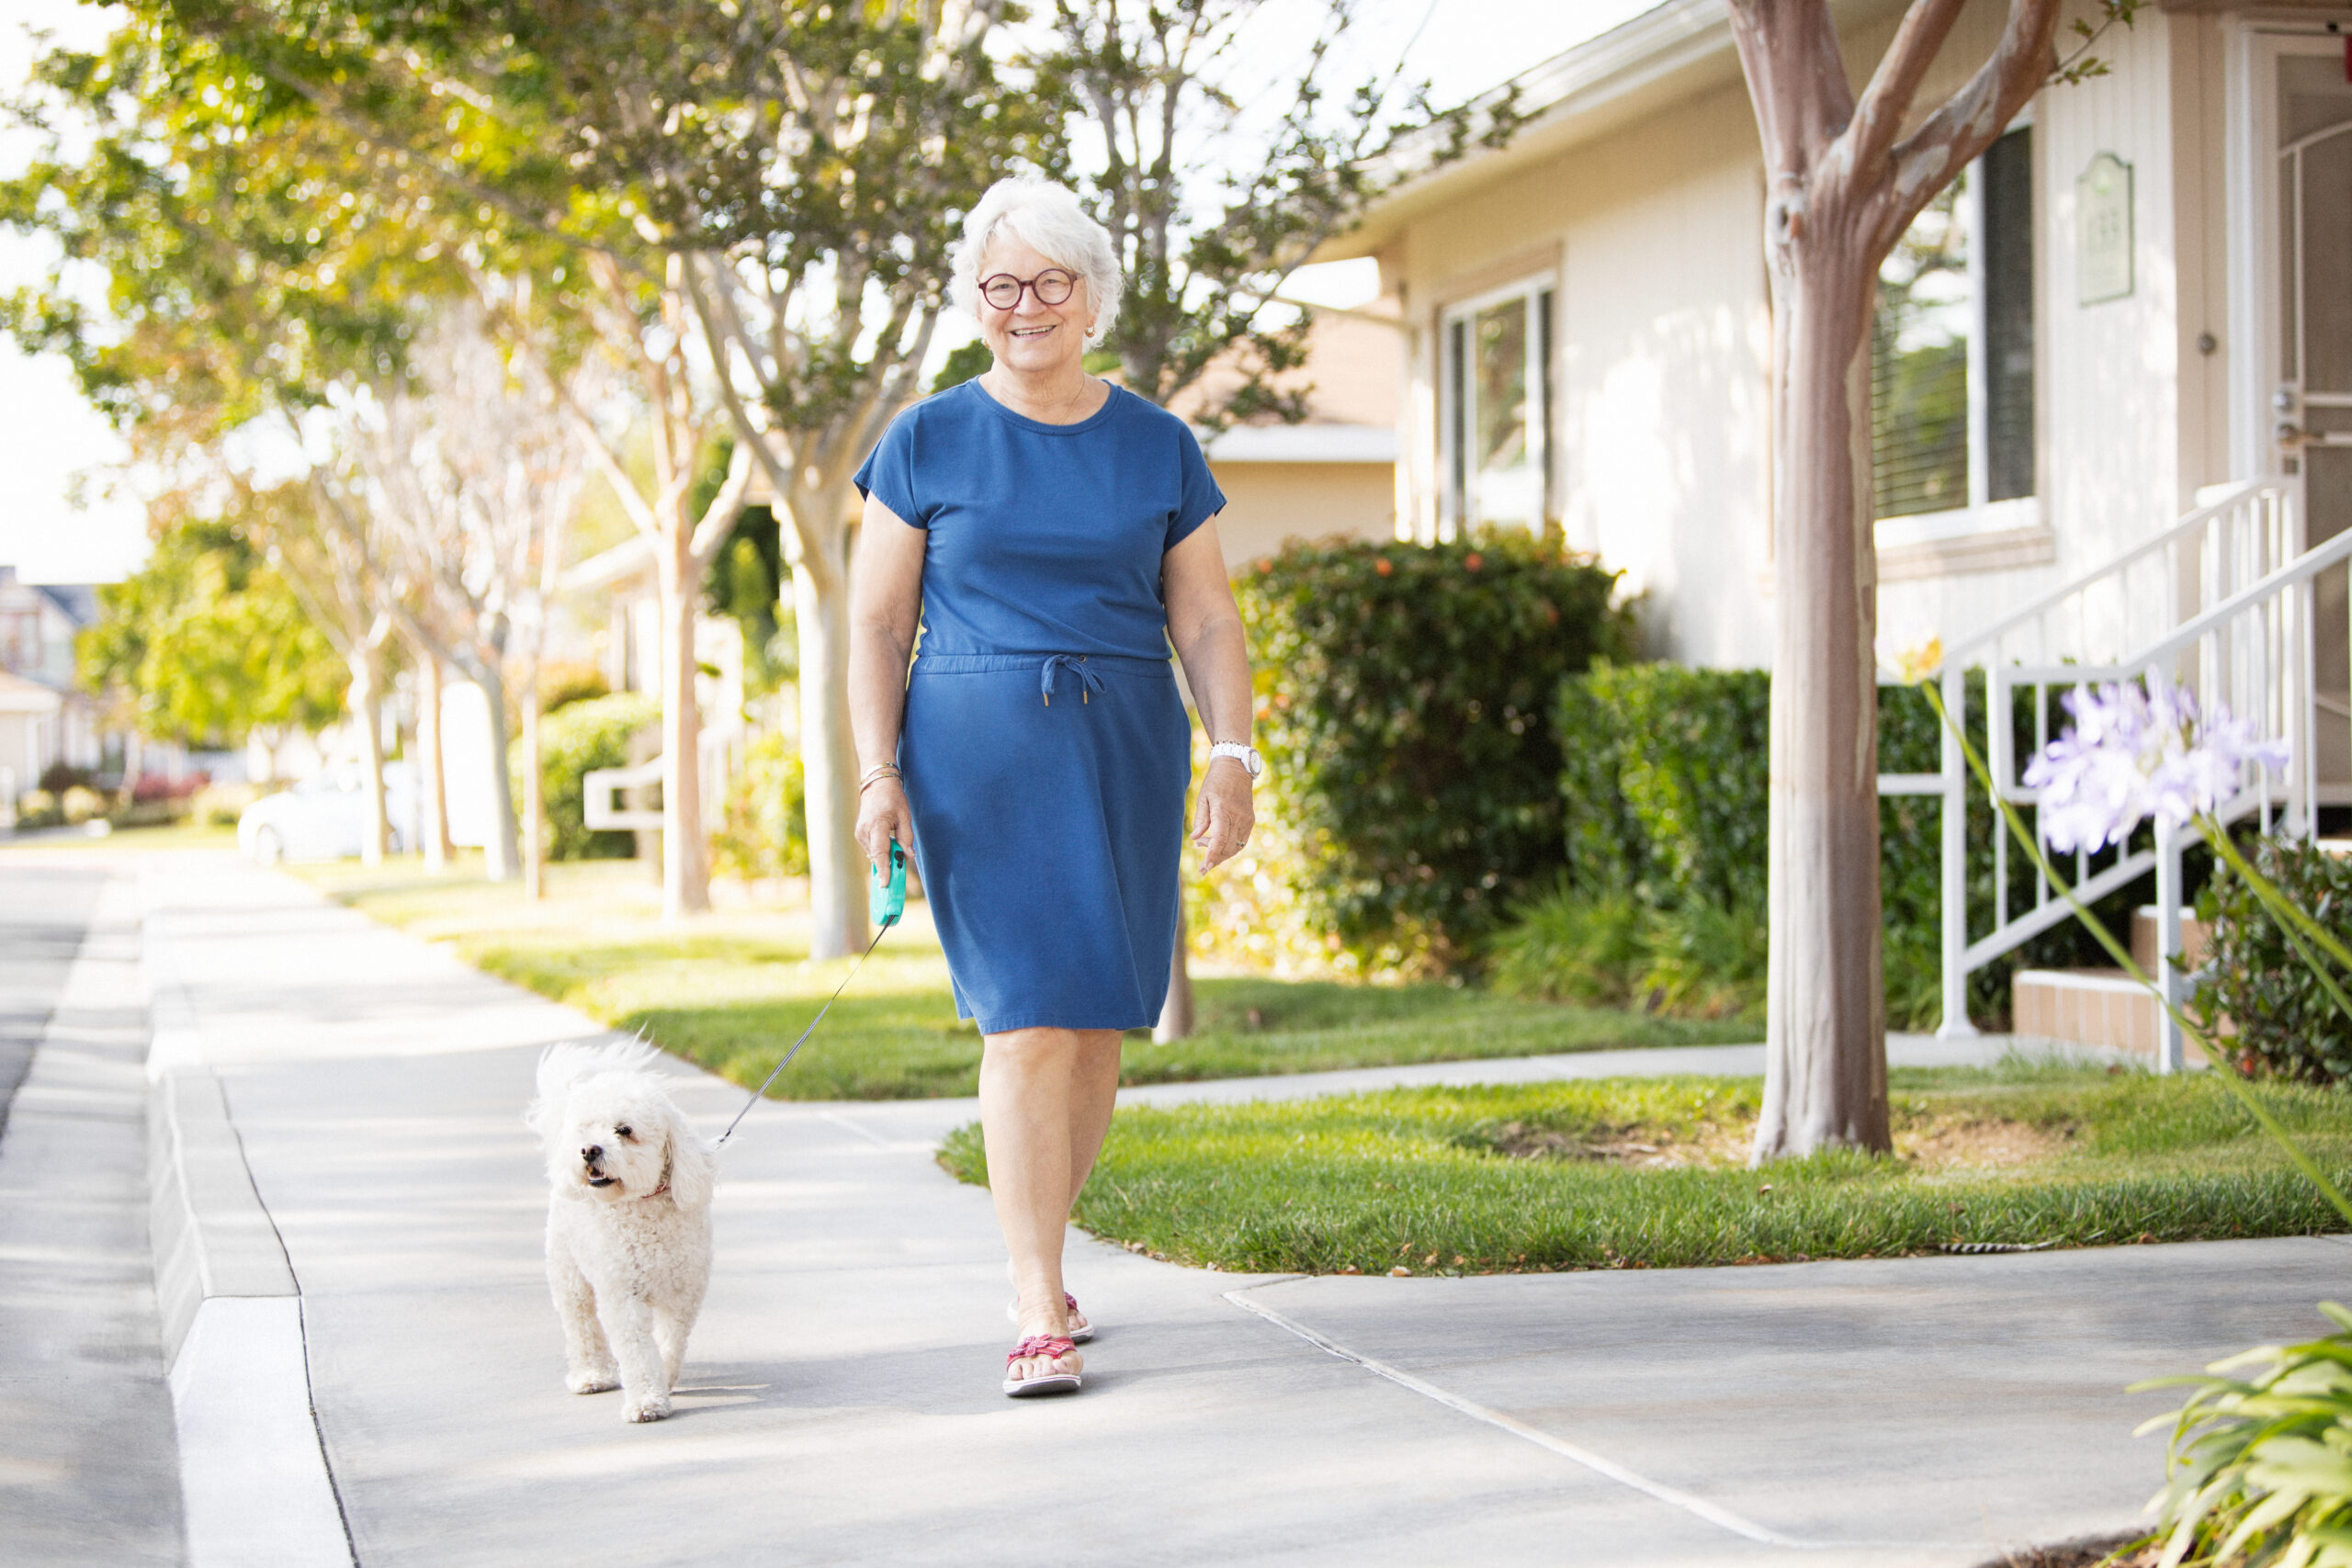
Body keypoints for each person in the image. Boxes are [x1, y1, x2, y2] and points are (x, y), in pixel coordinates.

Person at [847, 176, 1260, 1398]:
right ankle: (1035, 1298)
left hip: (1127, 739)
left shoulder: (1159, 443)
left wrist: (1231, 751)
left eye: (1048, 283)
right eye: (1000, 286)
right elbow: (875, 625)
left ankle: (1049, 1253)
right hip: (977, 746)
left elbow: (1208, 617)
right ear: (978, 303)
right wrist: (879, 775)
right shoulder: (925, 439)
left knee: (1092, 1028)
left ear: (1092, 295)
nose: (1024, 306)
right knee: (1025, 1018)